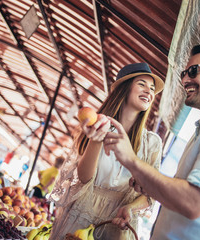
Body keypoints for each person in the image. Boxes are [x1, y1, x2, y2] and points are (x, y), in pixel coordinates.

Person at [103, 45, 200, 240]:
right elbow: (182, 194)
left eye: (194, 71)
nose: (185, 80)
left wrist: (131, 160)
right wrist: (149, 185)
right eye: (184, 74)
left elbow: (193, 203)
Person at [49, 63, 164, 240]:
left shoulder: (152, 143)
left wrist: (130, 208)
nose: (149, 91)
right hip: (81, 216)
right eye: (142, 84)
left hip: (118, 227)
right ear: (124, 89)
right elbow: (84, 178)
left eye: (152, 88)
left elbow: (150, 194)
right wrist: (95, 141)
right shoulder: (97, 125)